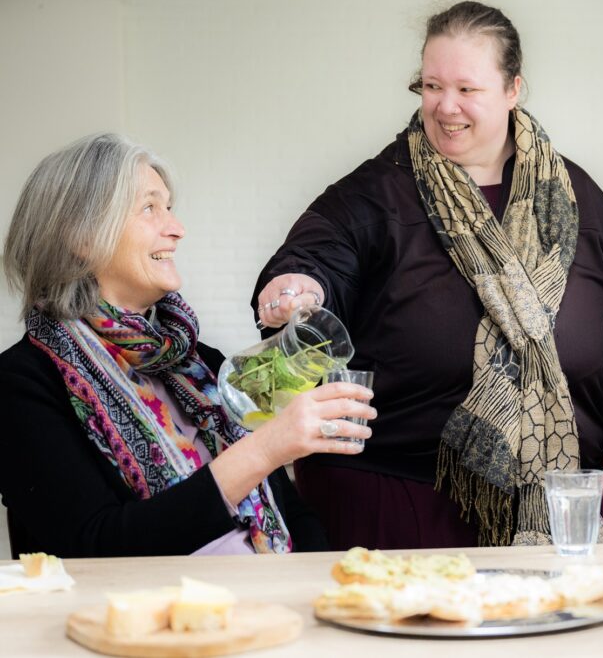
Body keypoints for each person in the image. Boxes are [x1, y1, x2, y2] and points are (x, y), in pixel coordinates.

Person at [252, 0, 603, 549]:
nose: (445, 107)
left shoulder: (576, 196)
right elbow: (318, 257)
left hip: (553, 497)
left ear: (513, 89)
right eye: (430, 86)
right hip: (388, 496)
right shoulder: (377, 191)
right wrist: (296, 285)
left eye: (467, 90)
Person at [0, 133, 375, 557]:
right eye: (149, 208)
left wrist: (311, 584)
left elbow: (292, 515)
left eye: (170, 208)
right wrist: (267, 448)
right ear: (81, 238)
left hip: (267, 609)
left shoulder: (199, 364)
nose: (176, 229)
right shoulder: (22, 382)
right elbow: (96, 546)